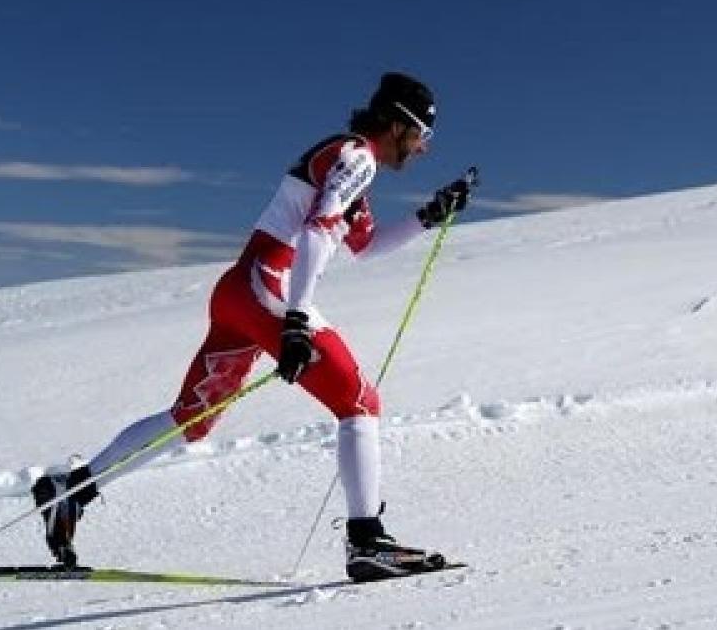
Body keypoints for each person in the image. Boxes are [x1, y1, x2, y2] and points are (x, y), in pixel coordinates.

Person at [31, 72, 473, 582]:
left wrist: (429, 216)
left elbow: (364, 246)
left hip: (240, 291)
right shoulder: (357, 157)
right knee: (359, 402)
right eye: (422, 136)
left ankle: (73, 492)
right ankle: (367, 541)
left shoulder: (347, 162)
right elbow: (317, 231)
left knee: (191, 421)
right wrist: (297, 322)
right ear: (397, 124)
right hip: (269, 287)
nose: (422, 149)